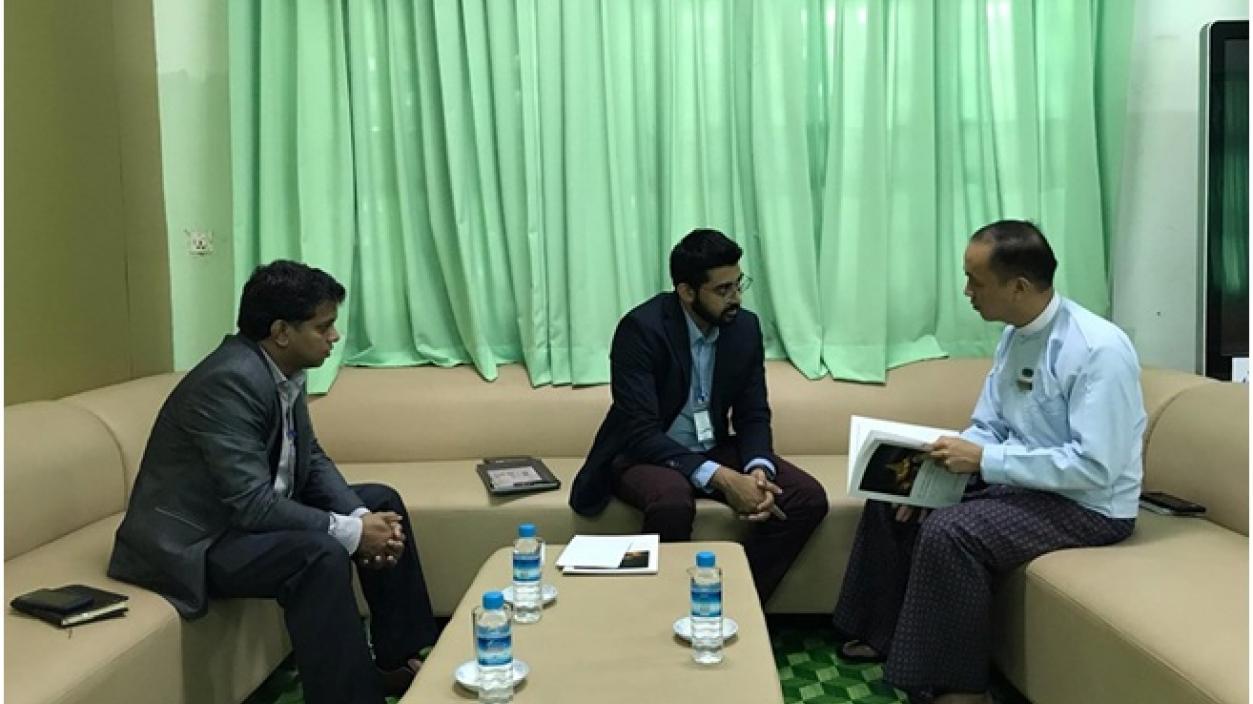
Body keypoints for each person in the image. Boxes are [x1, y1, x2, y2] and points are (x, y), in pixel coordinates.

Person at [831, 220, 1145, 704]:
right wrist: (935, 471)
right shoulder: (1014, 336)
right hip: (1022, 483)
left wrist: (985, 460)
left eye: (975, 281)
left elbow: (1094, 467)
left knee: (950, 532)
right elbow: (989, 424)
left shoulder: (1097, 349)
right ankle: (882, 633)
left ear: (1018, 286)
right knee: (893, 493)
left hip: (1089, 506)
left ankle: (961, 688)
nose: (967, 292)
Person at [108, 261, 437, 704]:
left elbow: (311, 459)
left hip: (245, 520)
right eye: (323, 327)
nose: (334, 337)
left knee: (380, 501)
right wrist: (354, 533)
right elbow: (253, 505)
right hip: (200, 540)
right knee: (318, 554)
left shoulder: (284, 370)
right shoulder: (229, 380)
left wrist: (361, 517)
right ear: (282, 331)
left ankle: (396, 662)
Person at [569, 228, 829, 602]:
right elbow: (640, 431)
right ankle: (661, 611)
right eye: (722, 290)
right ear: (687, 291)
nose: (735, 298)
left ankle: (732, 603)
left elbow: (753, 412)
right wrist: (722, 478)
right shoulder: (641, 330)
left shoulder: (744, 328)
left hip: (713, 446)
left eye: (738, 285)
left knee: (807, 498)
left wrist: (758, 468)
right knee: (672, 503)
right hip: (648, 453)